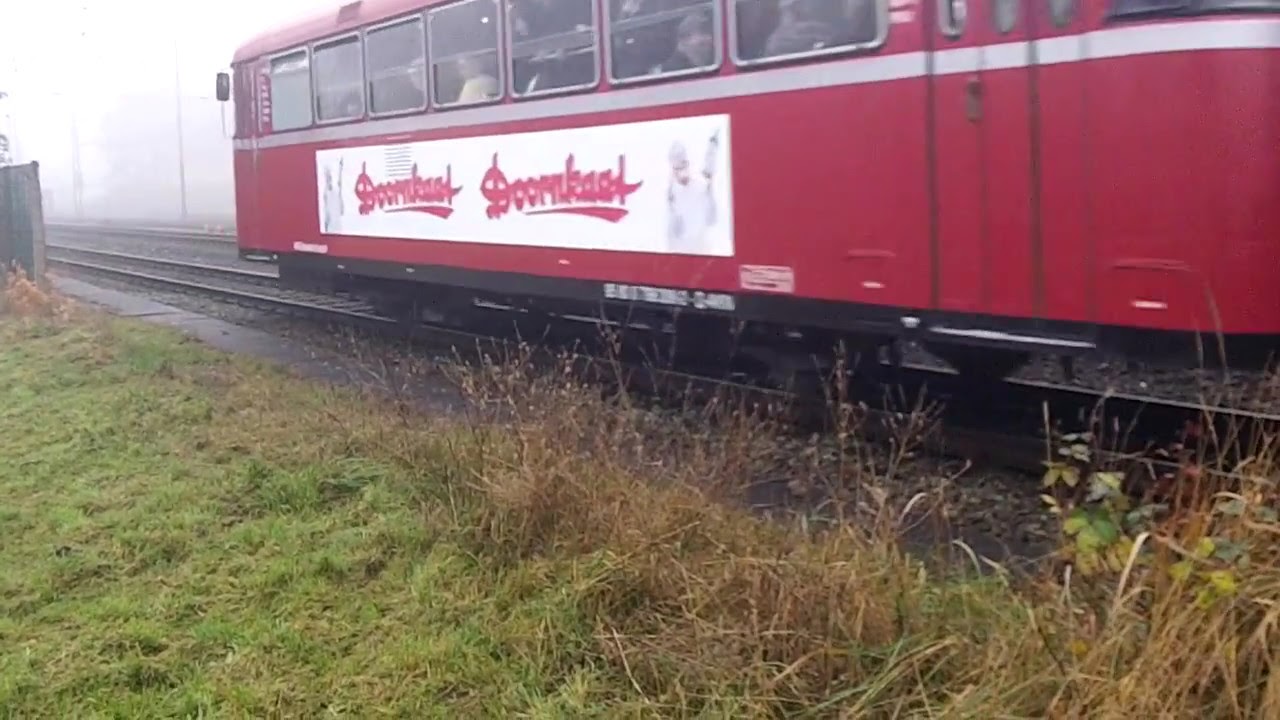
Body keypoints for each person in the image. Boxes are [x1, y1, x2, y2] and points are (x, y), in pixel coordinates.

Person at [665, 131, 719, 255]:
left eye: (682, 166)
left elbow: (709, 170)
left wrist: (712, 146)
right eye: (676, 168)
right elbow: (672, 233)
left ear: (687, 164)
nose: (680, 172)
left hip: (702, 249)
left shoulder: (700, 184)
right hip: (682, 252)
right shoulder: (672, 193)